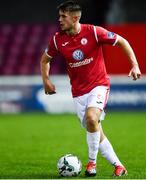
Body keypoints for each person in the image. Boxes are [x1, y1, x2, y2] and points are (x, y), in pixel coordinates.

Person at [40, 0, 141, 177]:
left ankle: (91, 164)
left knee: (92, 118)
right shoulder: (57, 40)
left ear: (75, 17)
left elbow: (122, 41)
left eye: (63, 16)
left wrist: (135, 65)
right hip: (78, 93)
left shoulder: (94, 32)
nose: (60, 20)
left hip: (99, 85)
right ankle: (119, 166)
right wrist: (46, 80)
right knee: (95, 130)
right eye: (60, 16)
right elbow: (44, 60)